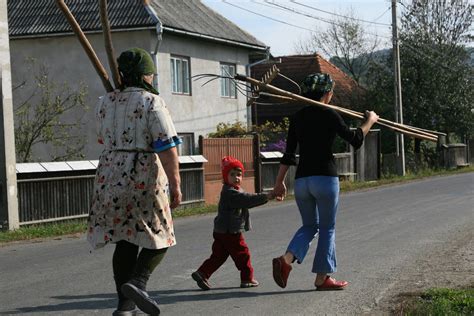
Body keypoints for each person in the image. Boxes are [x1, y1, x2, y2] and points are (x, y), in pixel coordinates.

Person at [87, 47, 182, 316]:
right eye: (150, 74)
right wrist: (175, 183)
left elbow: (103, 139)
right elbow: (166, 146)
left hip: (109, 175)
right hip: (142, 173)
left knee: (124, 240)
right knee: (162, 236)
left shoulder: (104, 102)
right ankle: (138, 282)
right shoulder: (152, 102)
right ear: (144, 75)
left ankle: (125, 307)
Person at [271, 73, 379, 291]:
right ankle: (322, 277)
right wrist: (370, 121)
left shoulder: (298, 118)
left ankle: (287, 259)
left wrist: (279, 182)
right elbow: (356, 139)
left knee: (310, 225)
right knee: (327, 227)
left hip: (302, 182)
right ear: (327, 93)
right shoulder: (330, 114)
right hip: (325, 179)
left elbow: (289, 154)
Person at [191, 156, 275, 290]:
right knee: (243, 254)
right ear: (225, 177)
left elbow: (245, 197)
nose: (236, 177)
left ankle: (202, 273)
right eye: (232, 174)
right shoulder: (230, 192)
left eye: (239, 174)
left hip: (221, 231)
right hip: (230, 232)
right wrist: (267, 196)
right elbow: (247, 199)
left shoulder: (233, 190)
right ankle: (247, 278)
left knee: (219, 255)